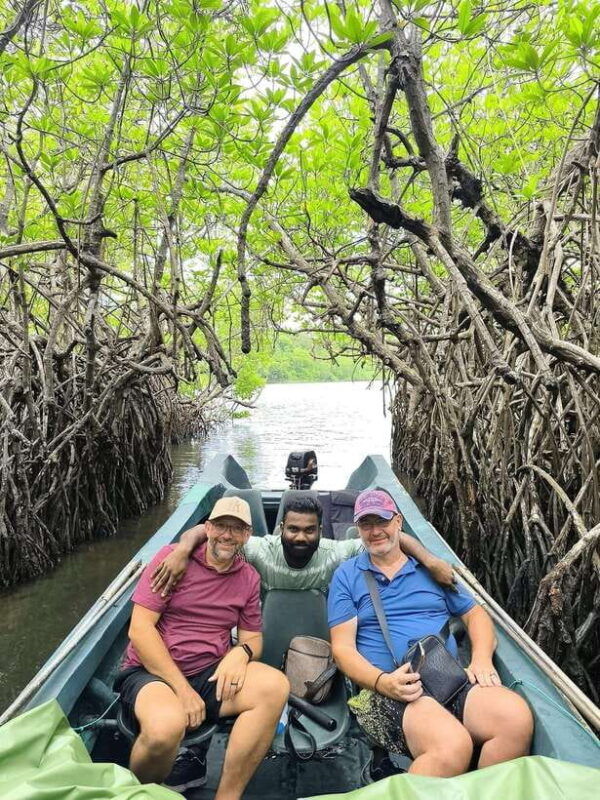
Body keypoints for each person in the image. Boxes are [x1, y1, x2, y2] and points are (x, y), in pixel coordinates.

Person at [328, 489, 534, 778]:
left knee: (515, 719)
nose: (375, 531)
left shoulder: (432, 571)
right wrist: (384, 682)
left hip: (447, 679)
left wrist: (481, 659)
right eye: (366, 524)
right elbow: (342, 650)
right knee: (452, 746)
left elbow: (475, 614)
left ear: (398, 521)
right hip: (386, 691)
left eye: (382, 521)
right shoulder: (347, 576)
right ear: (358, 528)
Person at [114, 496, 289, 798]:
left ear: (247, 535)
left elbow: (252, 639)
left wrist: (240, 653)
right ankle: (142, 793)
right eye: (221, 526)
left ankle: (227, 795)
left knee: (275, 687)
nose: (227, 535)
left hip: (208, 672)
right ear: (207, 528)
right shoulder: (171, 560)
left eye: (237, 529)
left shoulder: (248, 578)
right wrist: (183, 691)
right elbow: (140, 631)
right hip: (151, 672)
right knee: (166, 729)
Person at [151, 494, 455, 597]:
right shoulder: (259, 549)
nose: (300, 537)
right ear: (281, 528)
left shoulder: (336, 553)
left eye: (309, 530)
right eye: (293, 529)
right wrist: (182, 551)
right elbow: (210, 532)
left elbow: (389, 539)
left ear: (320, 532)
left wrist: (430, 562)